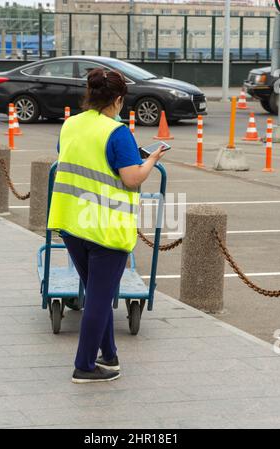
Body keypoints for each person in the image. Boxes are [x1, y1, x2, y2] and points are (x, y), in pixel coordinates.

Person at [48, 68, 166, 384]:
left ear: (89, 93)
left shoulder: (70, 124)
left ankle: (109, 356)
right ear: (117, 99)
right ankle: (84, 366)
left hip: (72, 222)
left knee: (98, 291)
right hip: (105, 227)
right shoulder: (117, 133)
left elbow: (70, 158)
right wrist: (151, 159)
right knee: (99, 299)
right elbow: (131, 178)